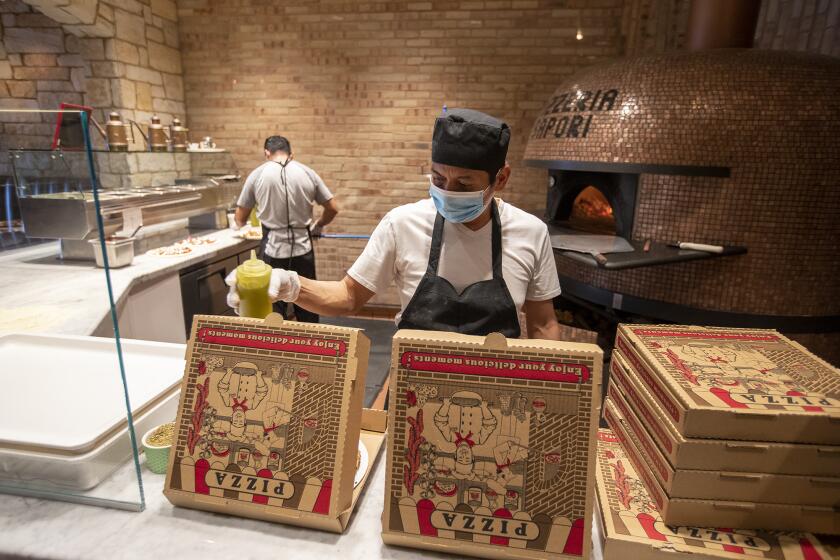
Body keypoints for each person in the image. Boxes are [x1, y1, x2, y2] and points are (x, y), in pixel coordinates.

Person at [228, 109, 562, 340]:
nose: (447, 192)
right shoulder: (402, 224)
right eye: (437, 178)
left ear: (500, 179)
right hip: (413, 388)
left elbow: (544, 324)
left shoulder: (531, 233)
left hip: (500, 395)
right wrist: (288, 284)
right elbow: (348, 296)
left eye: (463, 184)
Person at [233, 135, 338, 323]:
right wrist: (318, 226)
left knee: (273, 305)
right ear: (291, 153)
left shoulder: (257, 174)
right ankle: (312, 347)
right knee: (308, 301)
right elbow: (333, 208)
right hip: (303, 248)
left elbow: (240, 218)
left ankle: (278, 348)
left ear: (267, 153)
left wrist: (243, 226)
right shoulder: (307, 172)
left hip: (272, 249)